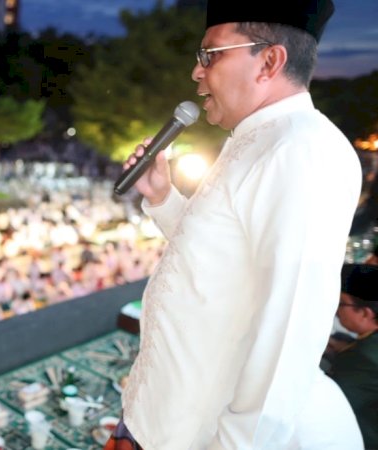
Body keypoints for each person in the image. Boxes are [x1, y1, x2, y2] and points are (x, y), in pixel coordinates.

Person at [110, 1, 363, 449]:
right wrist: (164, 196)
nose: (196, 71)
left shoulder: (301, 150)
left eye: (211, 55)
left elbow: (289, 336)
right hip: (160, 417)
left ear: (269, 61)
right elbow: (217, 261)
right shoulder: (257, 137)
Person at [327, 264, 378, 447]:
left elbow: (330, 402)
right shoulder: (367, 345)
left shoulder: (365, 358)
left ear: (365, 313)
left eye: (341, 303)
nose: (336, 310)